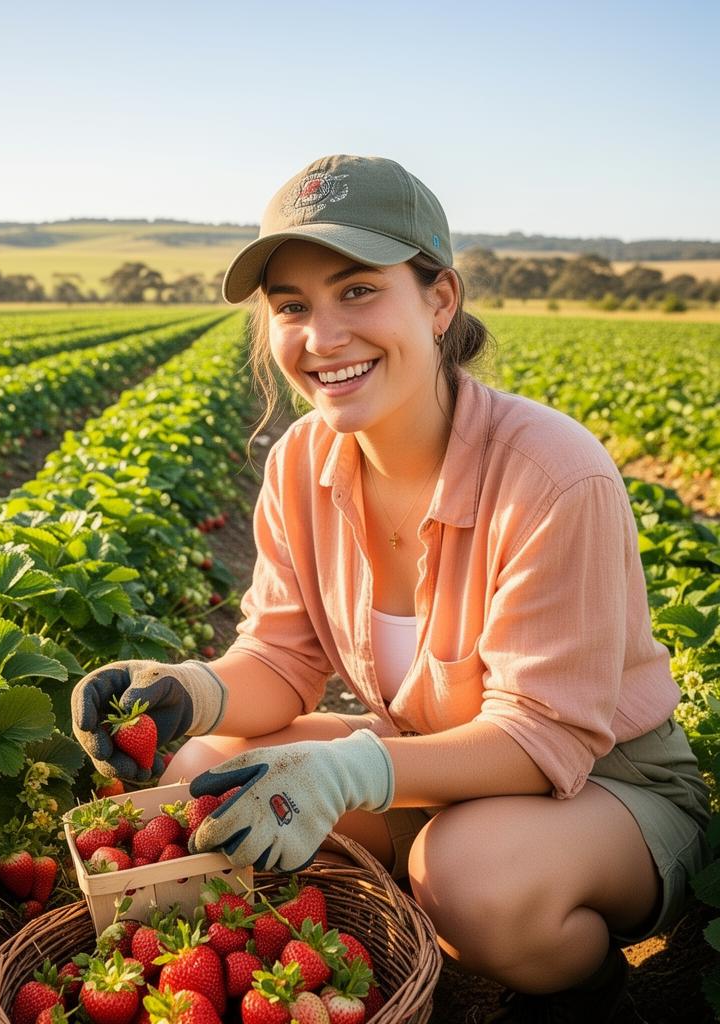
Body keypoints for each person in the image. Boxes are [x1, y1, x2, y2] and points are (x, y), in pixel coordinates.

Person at [71, 154, 711, 1022]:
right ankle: (386, 925)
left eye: (358, 291)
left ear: (439, 300)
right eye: (291, 306)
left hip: (601, 789)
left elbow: (542, 735)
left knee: (470, 875)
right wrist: (185, 690)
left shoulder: (552, 475)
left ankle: (582, 987)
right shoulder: (302, 462)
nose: (322, 336)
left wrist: (348, 770)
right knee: (206, 774)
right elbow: (280, 658)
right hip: (426, 768)